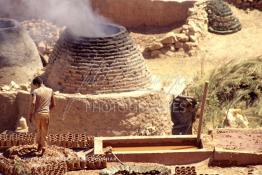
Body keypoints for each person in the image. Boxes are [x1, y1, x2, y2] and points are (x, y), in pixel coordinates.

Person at [29, 76, 55, 154]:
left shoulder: (35, 91)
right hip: (46, 114)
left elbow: (33, 103)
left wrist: (30, 114)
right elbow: (53, 104)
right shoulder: (50, 90)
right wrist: (47, 110)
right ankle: (43, 146)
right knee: (45, 131)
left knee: (38, 130)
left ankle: (39, 146)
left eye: (35, 85)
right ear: (42, 82)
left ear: (37, 84)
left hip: (37, 114)